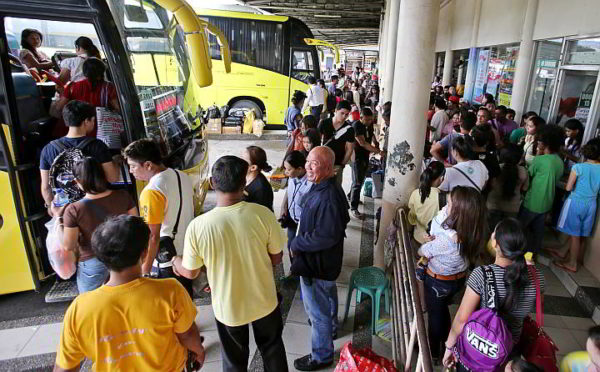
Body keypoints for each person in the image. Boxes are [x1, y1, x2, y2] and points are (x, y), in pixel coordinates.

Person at [172, 156, 288, 372]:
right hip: (265, 300)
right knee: (272, 349)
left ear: (212, 183)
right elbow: (276, 257)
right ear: (244, 183)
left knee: (234, 361)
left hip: (229, 307)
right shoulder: (263, 214)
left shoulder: (198, 226)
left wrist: (175, 261)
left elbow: (190, 272)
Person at [53, 215, 205, 372]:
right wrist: (198, 351)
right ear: (145, 253)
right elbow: (187, 335)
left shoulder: (79, 308)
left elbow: (65, 368)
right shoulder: (170, 291)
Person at [443, 218, 545, 371]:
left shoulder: (481, 275)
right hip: (508, 351)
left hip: (479, 348)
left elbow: (462, 320)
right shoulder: (538, 279)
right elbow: (535, 306)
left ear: (495, 243)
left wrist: (449, 347)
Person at [290, 146, 350, 371]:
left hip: (317, 264)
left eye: (313, 164)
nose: (307, 166)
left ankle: (322, 356)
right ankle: (331, 327)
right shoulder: (324, 186)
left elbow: (325, 236)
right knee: (327, 296)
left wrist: (296, 243)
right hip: (326, 264)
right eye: (307, 161)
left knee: (317, 314)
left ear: (328, 168)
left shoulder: (328, 197)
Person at [419, 186, 487, 363]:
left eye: (448, 205)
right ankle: (447, 339)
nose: (444, 208)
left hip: (438, 283)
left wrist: (430, 241)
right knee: (441, 311)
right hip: (457, 279)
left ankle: (433, 353)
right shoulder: (472, 232)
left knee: (434, 315)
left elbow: (422, 251)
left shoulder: (447, 241)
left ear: (459, 214)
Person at [123, 139, 195, 295]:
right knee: (186, 301)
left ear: (148, 165)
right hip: (187, 252)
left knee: (170, 307)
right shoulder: (182, 176)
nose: (131, 171)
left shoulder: (152, 191)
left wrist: (146, 267)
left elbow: (153, 236)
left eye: (133, 166)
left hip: (168, 259)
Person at [62, 157, 137, 293]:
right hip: (123, 256)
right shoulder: (123, 196)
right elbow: (135, 223)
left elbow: (69, 245)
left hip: (93, 260)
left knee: (90, 303)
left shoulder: (73, 210)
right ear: (103, 175)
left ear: (78, 181)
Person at [40, 100, 118, 216]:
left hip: (66, 209)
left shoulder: (48, 149)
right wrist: (116, 162)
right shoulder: (97, 145)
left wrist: (51, 207)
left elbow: (46, 187)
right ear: (86, 121)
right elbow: (112, 178)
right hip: (94, 207)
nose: (93, 123)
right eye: (92, 120)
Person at [554, 138, 600, 273]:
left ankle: (572, 263)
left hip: (575, 203)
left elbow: (568, 188)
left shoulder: (578, 167)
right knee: (577, 232)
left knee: (575, 235)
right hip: (591, 205)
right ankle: (563, 252)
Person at [518, 124, 564, 254]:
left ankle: (515, 254)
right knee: (538, 232)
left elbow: (528, 175)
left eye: (540, 140)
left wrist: (538, 153)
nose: (537, 142)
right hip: (547, 202)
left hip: (532, 201)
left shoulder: (540, 160)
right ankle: (531, 255)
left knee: (520, 228)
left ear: (546, 143)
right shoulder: (559, 161)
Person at [50, 58, 120, 137]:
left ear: (85, 72)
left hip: (73, 132)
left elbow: (59, 107)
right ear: (102, 71)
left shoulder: (73, 87)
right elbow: (118, 108)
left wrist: (62, 93)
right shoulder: (109, 88)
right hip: (100, 133)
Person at [486, 144, 529, 230]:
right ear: (519, 158)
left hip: (493, 205)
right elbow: (525, 188)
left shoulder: (496, 168)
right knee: (507, 234)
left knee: (491, 230)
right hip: (512, 208)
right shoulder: (523, 171)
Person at [280, 151, 312, 262]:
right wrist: (284, 206)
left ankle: (300, 273)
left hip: (303, 224)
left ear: (299, 169)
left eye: (288, 169)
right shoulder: (292, 177)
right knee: (290, 246)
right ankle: (293, 271)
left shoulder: (311, 183)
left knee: (300, 250)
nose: (286, 172)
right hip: (292, 219)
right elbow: (289, 192)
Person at [349, 107, 380, 218]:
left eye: (370, 120)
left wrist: (375, 142)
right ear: (361, 118)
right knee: (357, 182)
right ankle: (353, 208)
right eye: (366, 120)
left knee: (359, 179)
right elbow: (362, 143)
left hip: (365, 155)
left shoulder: (369, 124)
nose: (369, 122)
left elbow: (371, 134)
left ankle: (351, 196)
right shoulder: (357, 126)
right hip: (356, 156)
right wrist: (378, 151)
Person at [318, 100, 355, 187]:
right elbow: (316, 142)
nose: (344, 117)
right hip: (322, 162)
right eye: (342, 113)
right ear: (336, 111)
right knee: (321, 187)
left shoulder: (349, 129)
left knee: (335, 188)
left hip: (337, 163)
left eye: (346, 114)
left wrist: (342, 165)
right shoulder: (324, 123)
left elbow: (349, 149)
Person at [408, 161, 445, 245]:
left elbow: (411, 219)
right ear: (442, 178)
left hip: (418, 238)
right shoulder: (444, 197)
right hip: (435, 241)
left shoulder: (415, 193)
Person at [242, 145, 274, 211]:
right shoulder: (243, 176)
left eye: (242, 160)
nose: (238, 162)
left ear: (253, 167)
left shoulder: (261, 188)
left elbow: (261, 214)